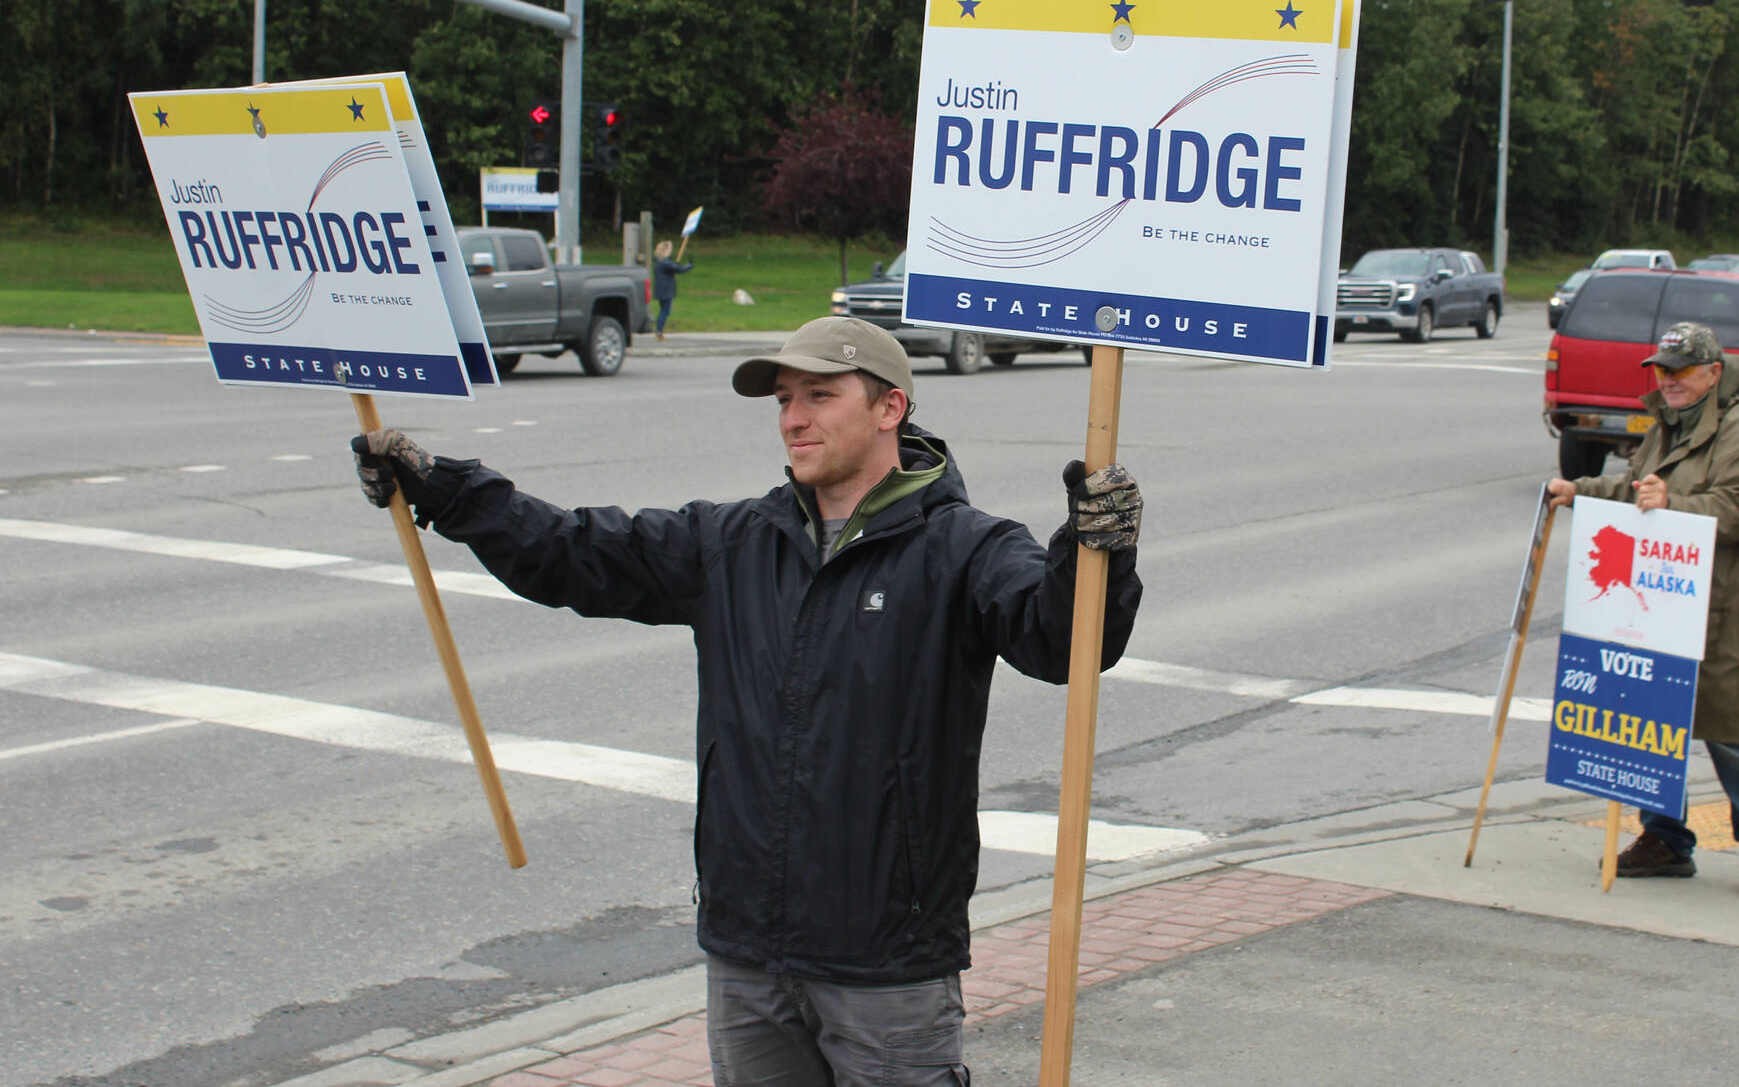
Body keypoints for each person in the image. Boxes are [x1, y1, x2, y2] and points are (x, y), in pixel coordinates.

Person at [351, 316, 1144, 1084]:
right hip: (746, 953)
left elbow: (1060, 638)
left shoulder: (964, 546)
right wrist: (448, 492)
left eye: (819, 396)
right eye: (783, 401)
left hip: (886, 963)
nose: (793, 420)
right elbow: (570, 552)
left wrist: (1092, 551)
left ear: (889, 407)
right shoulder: (732, 542)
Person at [1545, 321, 1739, 900]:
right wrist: (1578, 490)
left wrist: (1674, 503)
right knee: (1657, 727)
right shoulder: (1664, 427)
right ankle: (1666, 840)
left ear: (1712, 372)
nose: (1669, 380)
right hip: (1660, 605)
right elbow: (1637, 490)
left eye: (1680, 370)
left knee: (1736, 735)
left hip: (1726, 610)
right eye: (1662, 369)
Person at [651, 239, 692, 340]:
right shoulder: (665, 262)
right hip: (666, 290)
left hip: (661, 289)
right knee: (665, 311)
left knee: (664, 311)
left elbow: (674, 268)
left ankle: (659, 331)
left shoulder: (660, 262)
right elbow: (679, 269)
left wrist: (676, 265)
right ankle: (659, 332)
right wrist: (689, 266)